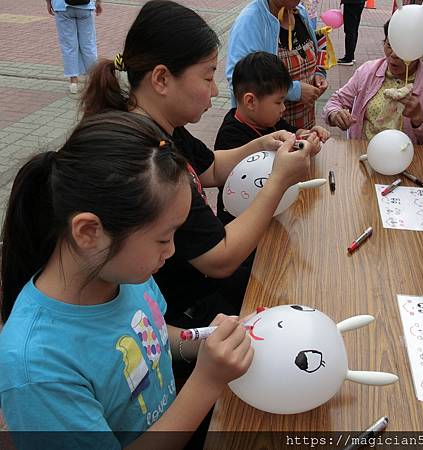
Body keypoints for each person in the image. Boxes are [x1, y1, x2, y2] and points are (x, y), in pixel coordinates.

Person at [0, 111, 253, 449]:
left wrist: (203, 340)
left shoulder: (122, 273)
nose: (172, 250)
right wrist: (208, 380)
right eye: (163, 239)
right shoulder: (39, 367)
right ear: (89, 232)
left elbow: (152, 331)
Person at [81, 0, 312, 331]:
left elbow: (212, 168)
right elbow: (220, 257)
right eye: (208, 77)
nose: (216, 90)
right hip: (176, 315)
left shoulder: (162, 125)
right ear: (161, 78)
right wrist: (277, 182)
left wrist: (260, 144)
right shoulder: (149, 158)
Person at [215, 51, 330, 225]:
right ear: (251, 102)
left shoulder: (270, 122)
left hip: (274, 214)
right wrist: (302, 152)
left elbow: (293, 133)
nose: (283, 108)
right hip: (240, 224)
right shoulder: (231, 136)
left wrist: (308, 135)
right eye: (278, 102)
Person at [323, 20, 423, 146]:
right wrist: (335, 114)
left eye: (402, 49)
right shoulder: (368, 71)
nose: (393, 54)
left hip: (407, 160)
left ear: (420, 50)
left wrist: (419, 117)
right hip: (361, 151)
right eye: (389, 45)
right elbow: (336, 101)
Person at [226, 0, 328, 129]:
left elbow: (315, 52)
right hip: (269, 133)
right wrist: (295, 90)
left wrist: (319, 73)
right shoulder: (250, 20)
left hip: (303, 125)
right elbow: (238, 79)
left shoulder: (300, 12)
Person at [46, 0, 102, 94]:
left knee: (68, 45)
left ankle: (73, 82)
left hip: (62, 7)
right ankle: (95, 80)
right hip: (85, 6)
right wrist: (98, 2)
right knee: (88, 45)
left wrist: (48, 3)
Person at [337, 0, 366, 66]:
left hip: (352, 3)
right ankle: (350, 55)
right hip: (359, 3)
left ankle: (348, 58)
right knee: (354, 29)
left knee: (350, 30)